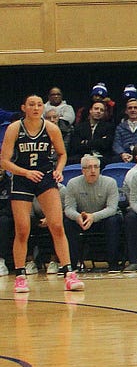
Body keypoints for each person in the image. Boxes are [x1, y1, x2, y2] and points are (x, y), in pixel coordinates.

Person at [3, 95, 81, 292]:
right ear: (24, 108)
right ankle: (20, 275)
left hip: (45, 178)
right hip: (22, 178)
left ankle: (69, 273)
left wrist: (59, 170)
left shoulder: (51, 128)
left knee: (56, 225)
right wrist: (25, 172)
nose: (36, 108)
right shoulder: (14, 129)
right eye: (32, 105)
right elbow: (4, 161)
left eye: (39, 105)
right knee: (22, 230)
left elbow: (62, 154)